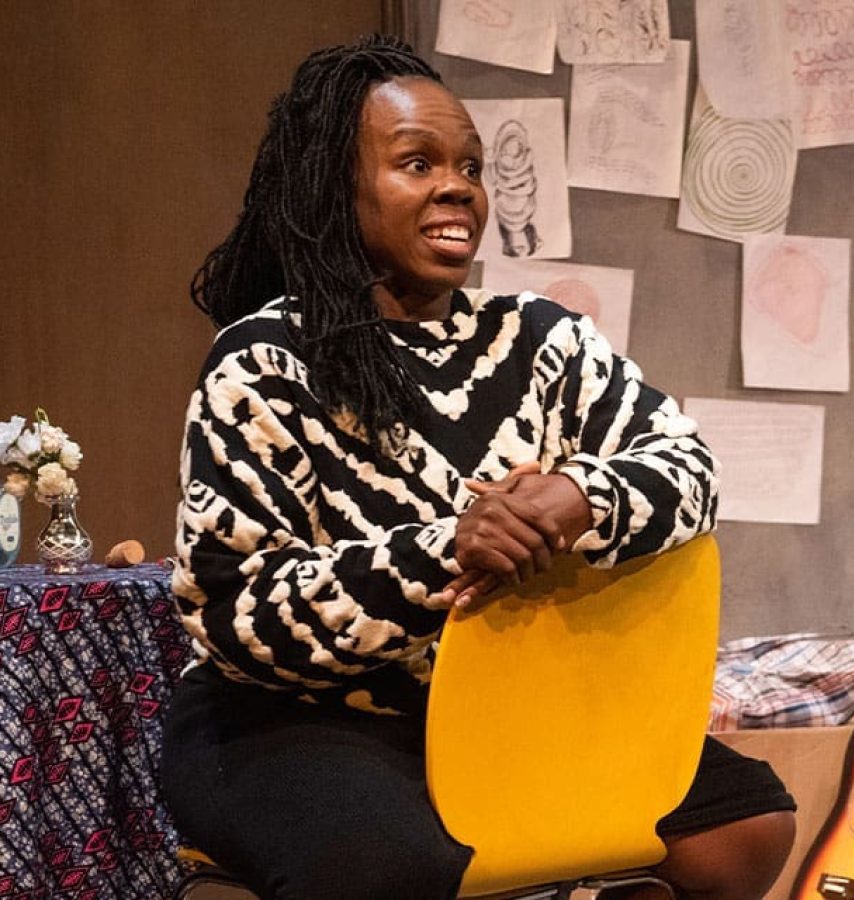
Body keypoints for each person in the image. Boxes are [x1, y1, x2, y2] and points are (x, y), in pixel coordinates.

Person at [160, 34, 795, 900]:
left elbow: (689, 467)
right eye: (415, 163)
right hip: (295, 720)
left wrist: (581, 494)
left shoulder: (539, 336)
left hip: (505, 711)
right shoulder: (265, 361)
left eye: (469, 166)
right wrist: (446, 552)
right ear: (332, 187)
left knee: (742, 822)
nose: (457, 186)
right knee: (397, 870)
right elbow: (237, 613)